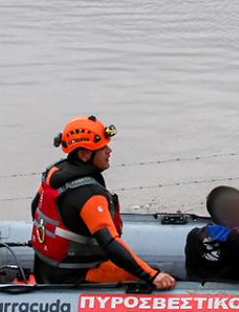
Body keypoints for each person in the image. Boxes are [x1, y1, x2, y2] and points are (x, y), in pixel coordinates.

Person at [29, 116, 175, 290]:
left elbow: (35, 208)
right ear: (84, 155)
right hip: (74, 275)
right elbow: (111, 244)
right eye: (102, 148)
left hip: (45, 268)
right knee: (152, 276)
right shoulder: (89, 194)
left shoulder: (54, 175)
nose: (109, 150)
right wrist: (153, 276)